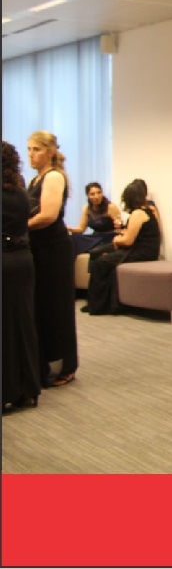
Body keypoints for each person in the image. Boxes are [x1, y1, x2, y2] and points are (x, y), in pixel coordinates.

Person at [25, 131, 78, 388]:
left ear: (50, 151)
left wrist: (19, 228)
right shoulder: (35, 179)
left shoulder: (54, 176)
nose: (30, 155)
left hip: (53, 250)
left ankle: (65, 366)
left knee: (57, 307)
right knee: (42, 307)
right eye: (29, 149)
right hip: (39, 248)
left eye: (36, 149)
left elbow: (48, 215)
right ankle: (46, 363)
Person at [3, 141, 42, 413]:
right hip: (22, 260)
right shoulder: (19, 191)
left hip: (4, 259)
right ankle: (27, 390)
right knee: (23, 324)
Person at [84, 178, 161, 315]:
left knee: (101, 262)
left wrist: (117, 240)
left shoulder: (138, 213)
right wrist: (121, 234)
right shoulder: (146, 211)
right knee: (97, 253)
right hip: (144, 248)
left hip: (141, 251)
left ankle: (98, 304)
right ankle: (96, 300)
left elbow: (128, 241)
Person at [67, 182, 123, 255]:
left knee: (95, 251)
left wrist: (119, 223)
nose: (96, 196)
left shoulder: (110, 207)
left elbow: (120, 226)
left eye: (99, 192)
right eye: (92, 194)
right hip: (95, 237)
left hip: (109, 237)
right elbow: (81, 229)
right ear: (88, 196)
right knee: (73, 238)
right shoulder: (86, 209)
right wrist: (69, 229)